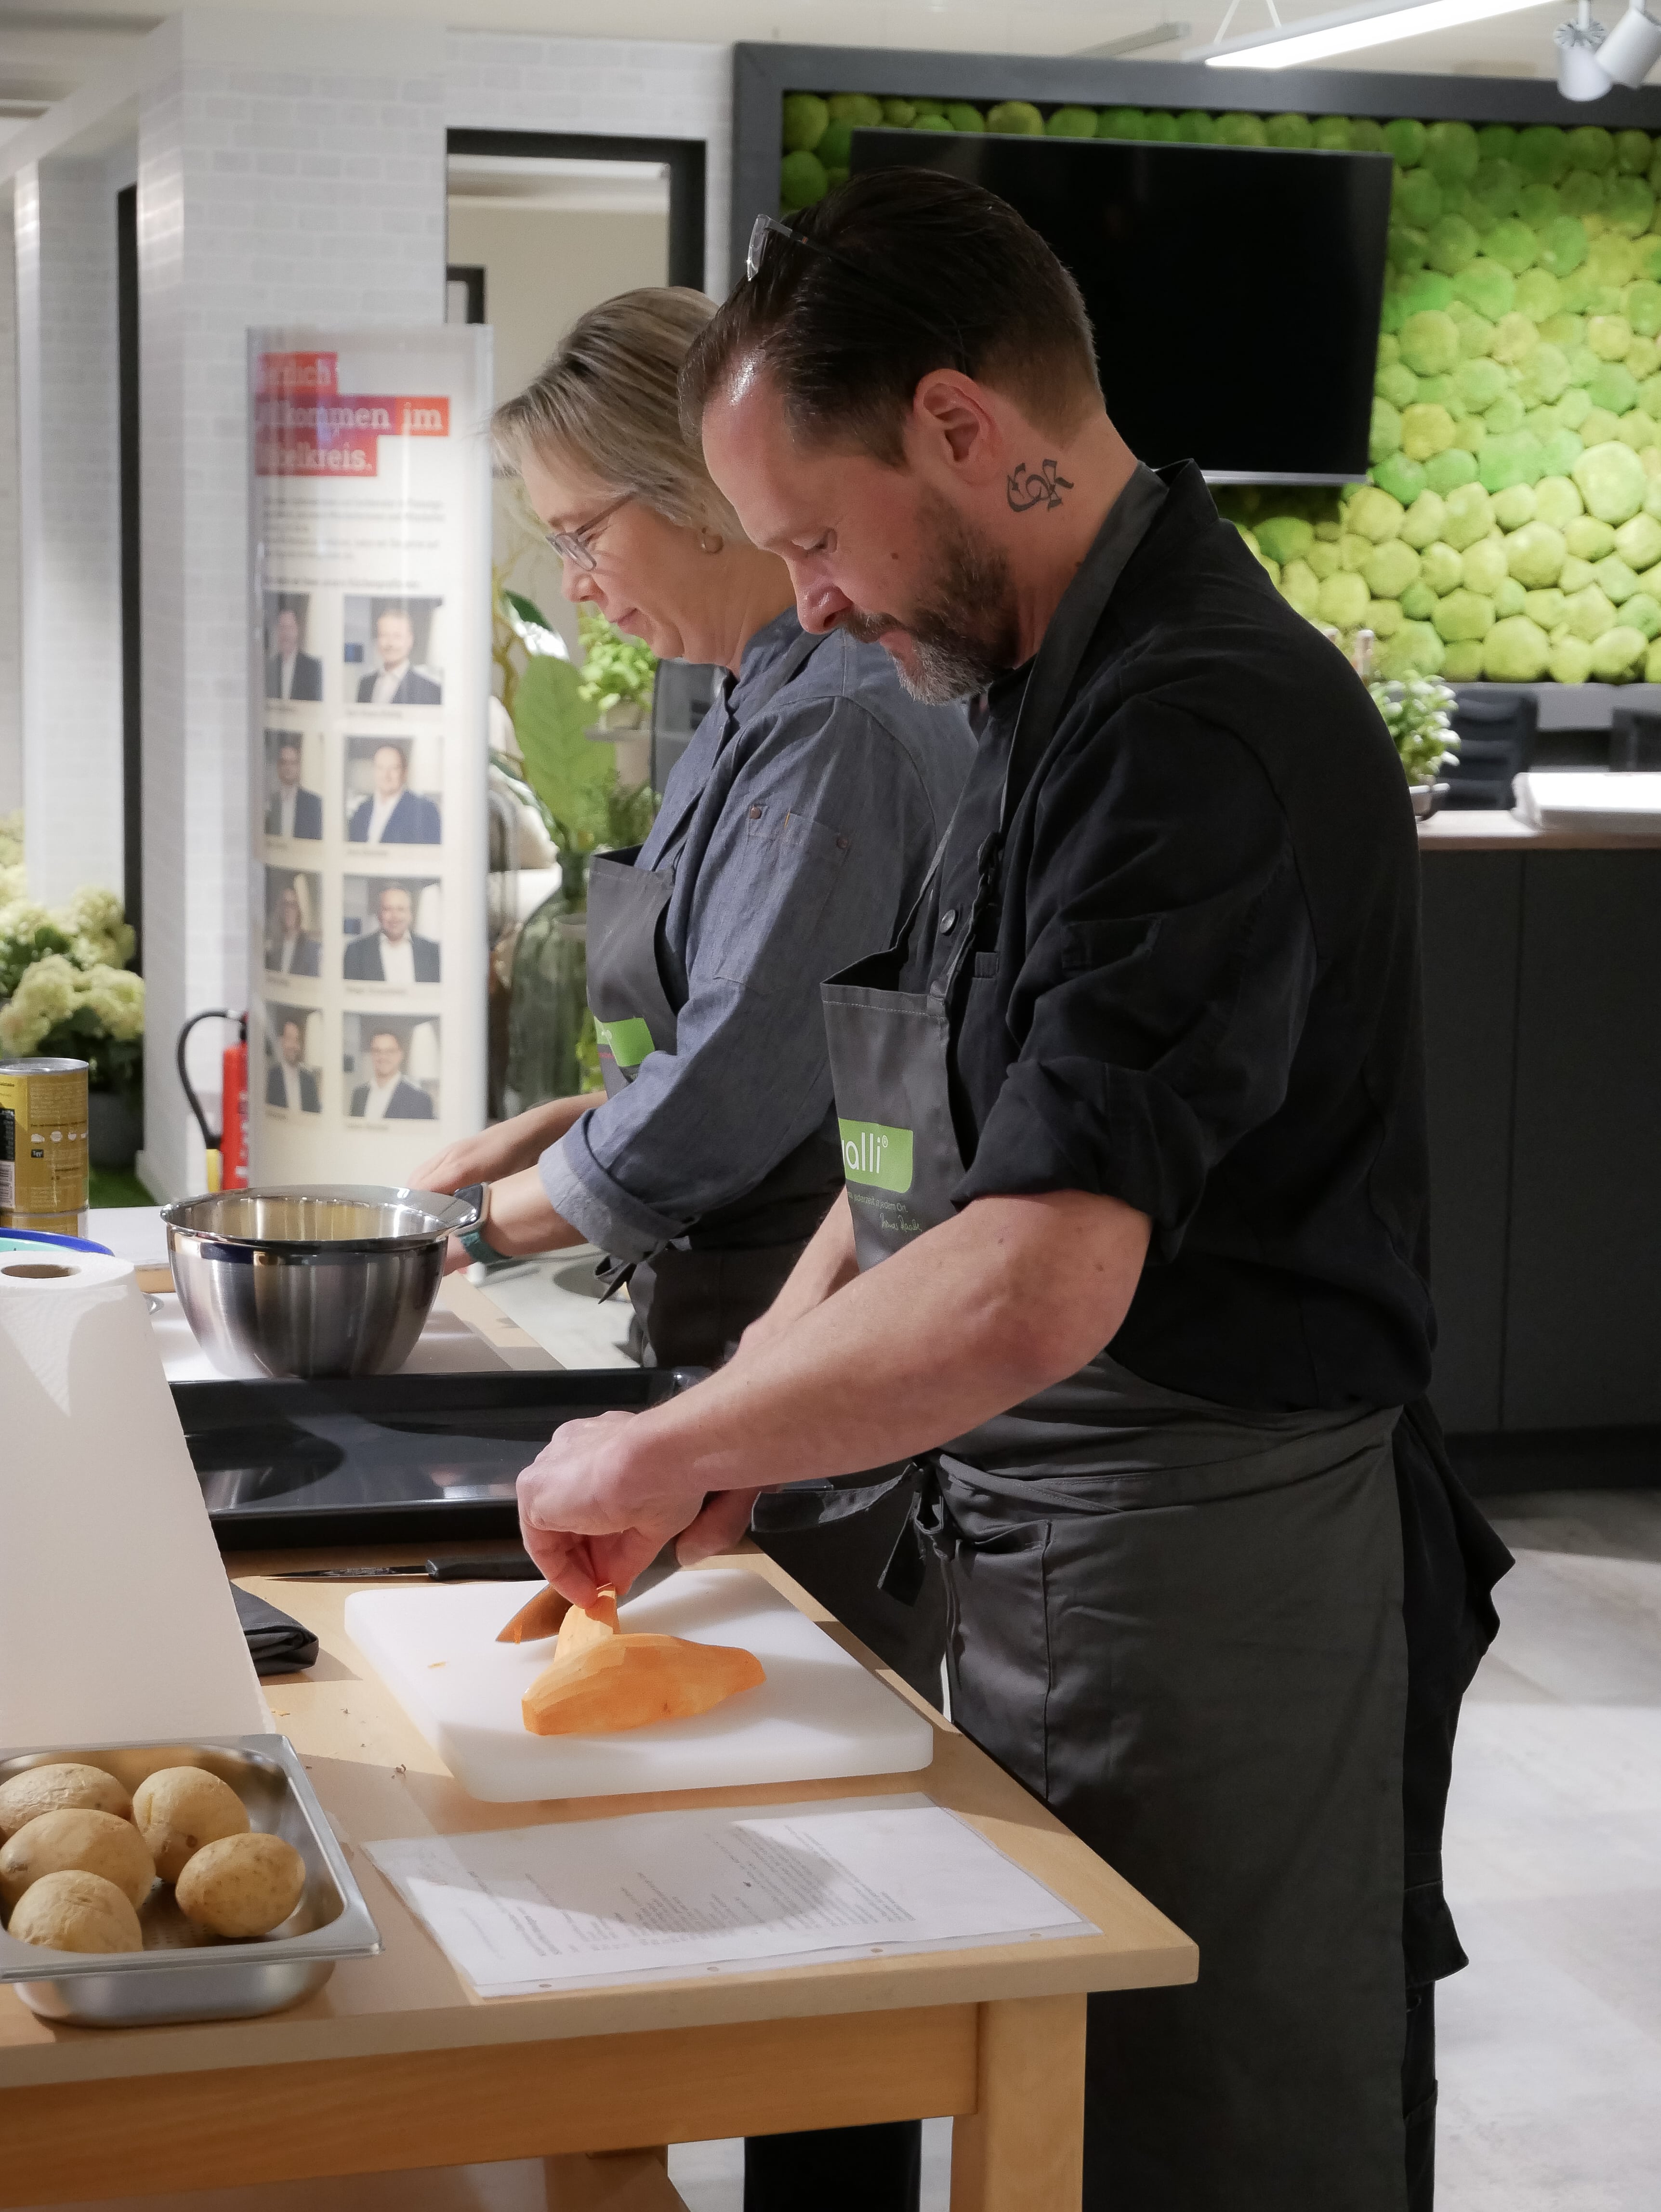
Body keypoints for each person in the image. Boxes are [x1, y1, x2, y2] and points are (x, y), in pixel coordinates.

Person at [508, 175, 1512, 2212]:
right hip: (1041, 1533)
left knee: (1208, 2133)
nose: (800, 602)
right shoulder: (1029, 690)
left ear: (962, 429)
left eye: (809, 533)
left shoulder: (1192, 729)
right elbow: (909, 1162)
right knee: (1063, 2112)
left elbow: (1037, 1277)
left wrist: (667, 1429)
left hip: (1215, 1570)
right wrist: (745, 1449)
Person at [412, 286, 971, 1730]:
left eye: (586, 534)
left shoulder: (839, 722)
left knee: (781, 1743)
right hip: (733, 1314)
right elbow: (745, 1017)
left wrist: (455, 1240)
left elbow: (734, 1087)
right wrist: (553, 1125)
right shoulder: (746, 701)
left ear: (705, 496)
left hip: (808, 1326)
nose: (574, 580)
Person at [344, 882, 440, 983]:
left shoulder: (434, 952)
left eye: (401, 909)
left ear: (410, 915)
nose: (395, 916)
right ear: (379, 914)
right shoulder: (356, 952)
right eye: (388, 909)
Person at [348, 744, 441, 844]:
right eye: (380, 768)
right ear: (374, 771)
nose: (386, 775)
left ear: (405, 773)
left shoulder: (424, 810)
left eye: (394, 768)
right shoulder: (362, 810)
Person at [356, 607, 442, 704]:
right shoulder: (365, 684)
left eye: (397, 636)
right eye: (384, 635)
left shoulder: (431, 689)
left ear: (410, 640)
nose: (390, 644)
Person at [349, 1028, 433, 1119]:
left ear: (400, 1055)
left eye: (390, 1051)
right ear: (372, 1055)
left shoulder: (419, 1099)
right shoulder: (359, 1095)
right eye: (377, 1051)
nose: (383, 1057)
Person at [266, 738, 322, 840]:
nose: (288, 768)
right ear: (278, 767)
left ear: (299, 767)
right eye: (285, 763)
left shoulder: (314, 804)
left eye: (293, 763)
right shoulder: (270, 802)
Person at [266, 606, 323, 701]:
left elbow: (315, 703)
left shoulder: (312, 668)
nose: (286, 634)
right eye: (282, 628)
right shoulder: (270, 668)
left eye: (290, 628)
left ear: (297, 630)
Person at [264, 882, 319, 976]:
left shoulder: (311, 950)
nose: (288, 910)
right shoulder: (273, 950)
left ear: (299, 910)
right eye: (285, 904)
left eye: (293, 905)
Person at [266, 1018, 320, 1112]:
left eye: (297, 1040)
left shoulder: (310, 1080)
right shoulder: (272, 1077)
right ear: (282, 1041)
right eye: (290, 1039)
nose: (293, 1046)